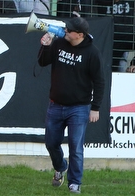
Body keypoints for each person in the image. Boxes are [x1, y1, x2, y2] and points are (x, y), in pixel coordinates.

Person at [38, 16, 105, 195]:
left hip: (79, 108)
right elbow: (42, 62)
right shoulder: (59, 43)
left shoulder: (92, 53)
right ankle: (60, 167)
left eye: (69, 30)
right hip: (55, 105)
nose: (65, 31)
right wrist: (45, 46)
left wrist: (95, 107)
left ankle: (74, 183)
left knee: (76, 147)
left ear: (80, 34)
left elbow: (99, 82)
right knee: (51, 143)